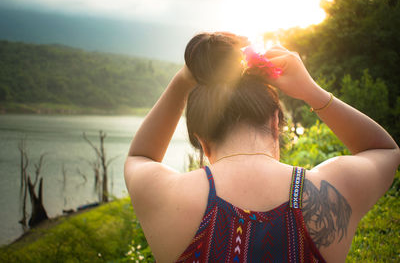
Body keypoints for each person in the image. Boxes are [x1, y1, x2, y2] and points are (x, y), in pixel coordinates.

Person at [124, 32, 400, 262]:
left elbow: (140, 157)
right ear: (275, 120)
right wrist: (309, 91)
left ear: (201, 138)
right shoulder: (327, 191)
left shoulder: (169, 199)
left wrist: (183, 80)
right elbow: (384, 150)